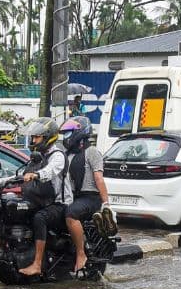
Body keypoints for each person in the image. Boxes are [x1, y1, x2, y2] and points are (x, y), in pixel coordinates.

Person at [18, 118, 71, 278]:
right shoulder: (38, 156)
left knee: (39, 218)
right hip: (42, 201)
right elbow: (21, 173)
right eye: (33, 137)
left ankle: (37, 264)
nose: (33, 140)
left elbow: (50, 171)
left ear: (48, 137)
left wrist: (36, 174)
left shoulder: (58, 155)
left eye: (37, 137)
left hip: (60, 204)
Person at [59, 119, 112, 273]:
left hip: (91, 198)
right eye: (64, 134)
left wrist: (106, 204)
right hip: (74, 197)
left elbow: (99, 178)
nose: (65, 137)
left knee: (71, 214)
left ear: (79, 133)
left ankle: (81, 254)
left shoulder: (92, 152)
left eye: (68, 133)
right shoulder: (66, 155)